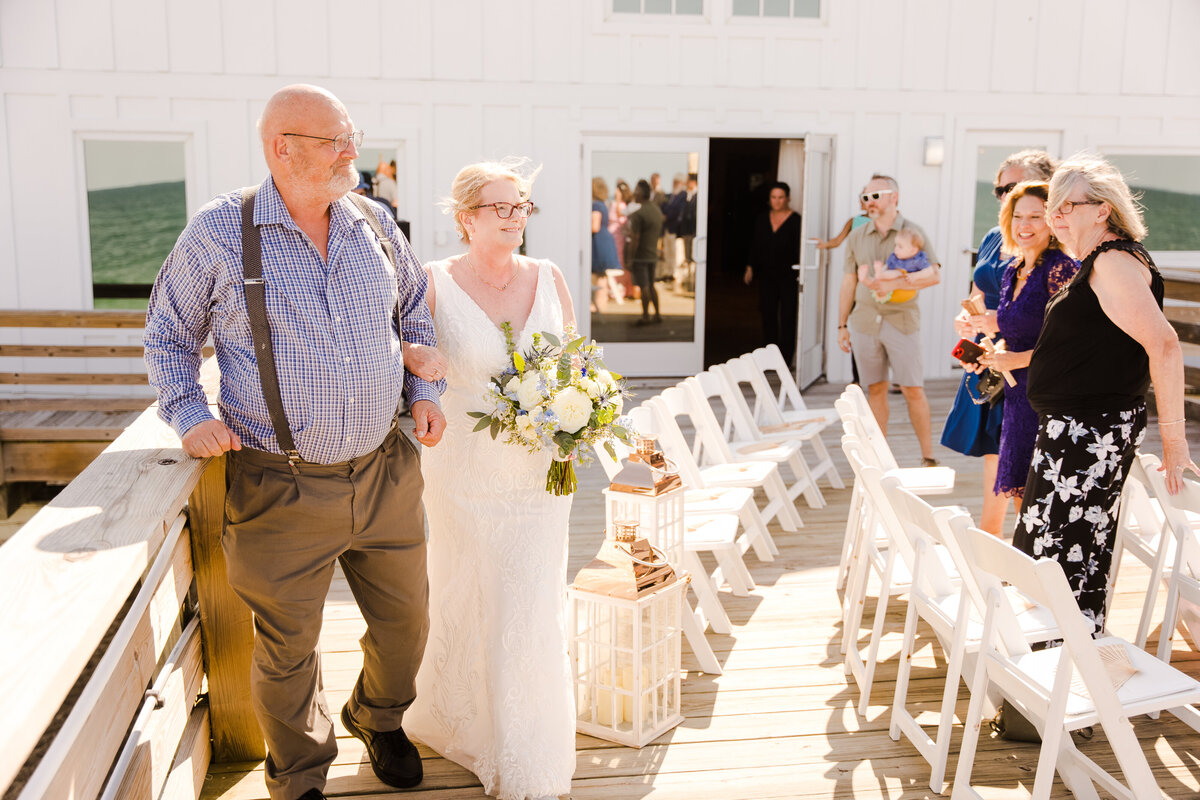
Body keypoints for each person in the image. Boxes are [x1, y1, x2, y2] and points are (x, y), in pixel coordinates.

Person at [143, 84, 446, 800]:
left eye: (352, 136)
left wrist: (425, 390)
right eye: (337, 140)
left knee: (408, 624)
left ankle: (378, 716)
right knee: (287, 651)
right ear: (282, 148)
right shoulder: (219, 232)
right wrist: (188, 414)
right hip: (277, 483)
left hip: (385, 471)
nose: (353, 153)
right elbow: (168, 334)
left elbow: (414, 309)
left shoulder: (371, 221)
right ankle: (300, 774)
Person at [405, 158, 578, 800]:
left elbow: (575, 367)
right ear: (465, 219)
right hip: (463, 472)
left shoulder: (550, 277)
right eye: (499, 208)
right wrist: (417, 385)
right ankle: (454, 714)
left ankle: (526, 742)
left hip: (538, 475)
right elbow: (410, 358)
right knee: (465, 590)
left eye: (521, 207)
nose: (514, 219)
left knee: (529, 601)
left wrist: (578, 421)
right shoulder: (431, 283)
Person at [1014, 153, 1199, 630]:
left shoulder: (1114, 260)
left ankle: (1064, 665)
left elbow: (1165, 346)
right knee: (1058, 552)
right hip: (1072, 431)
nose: (1055, 217)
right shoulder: (1099, 261)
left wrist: (1175, 441)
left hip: (1087, 435)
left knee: (1064, 554)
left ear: (1101, 209)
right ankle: (1058, 660)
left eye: (1065, 206)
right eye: (1052, 208)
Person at [942, 149, 1056, 534]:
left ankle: (1017, 553)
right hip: (988, 356)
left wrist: (996, 325)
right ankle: (990, 545)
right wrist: (966, 319)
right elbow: (979, 289)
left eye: (1016, 186)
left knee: (1018, 459)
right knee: (995, 452)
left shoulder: (1052, 249)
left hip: (1022, 360)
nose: (1007, 195)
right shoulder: (995, 236)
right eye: (1000, 189)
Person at [964, 182, 1078, 528]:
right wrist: (991, 352)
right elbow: (1014, 332)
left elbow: (1073, 342)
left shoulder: (1062, 269)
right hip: (1016, 398)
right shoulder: (1013, 270)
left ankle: (1044, 575)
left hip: (1051, 396)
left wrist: (1019, 359)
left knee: (1043, 500)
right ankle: (1028, 571)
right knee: (1020, 493)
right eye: (1017, 216)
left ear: (1055, 221)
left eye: (1035, 217)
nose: (1024, 225)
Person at [836, 174, 942, 466]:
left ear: (894, 197)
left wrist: (894, 284)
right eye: (865, 197)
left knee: (912, 389)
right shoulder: (857, 236)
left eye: (875, 196)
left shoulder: (913, 232)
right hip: (864, 323)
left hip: (902, 321)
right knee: (876, 389)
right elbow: (848, 283)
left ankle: (928, 456)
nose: (868, 202)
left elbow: (934, 275)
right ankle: (879, 458)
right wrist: (842, 325)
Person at [743, 181, 802, 365]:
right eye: (773, 197)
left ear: (788, 198)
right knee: (768, 314)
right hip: (767, 275)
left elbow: (799, 248)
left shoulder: (796, 220)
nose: (777, 201)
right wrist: (750, 267)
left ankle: (785, 358)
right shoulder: (762, 218)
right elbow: (755, 244)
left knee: (788, 316)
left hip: (789, 275)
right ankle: (769, 358)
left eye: (781, 197)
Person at [626, 178, 665, 325]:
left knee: (644, 286)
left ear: (641, 193)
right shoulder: (656, 211)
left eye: (636, 190)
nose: (634, 193)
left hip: (641, 256)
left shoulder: (639, 214)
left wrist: (630, 258)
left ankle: (645, 316)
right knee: (651, 285)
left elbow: (635, 239)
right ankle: (657, 314)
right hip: (652, 254)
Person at [858, 228, 930, 304]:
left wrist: (916, 276)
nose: (896, 249)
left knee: (899, 273)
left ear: (913, 250)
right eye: (895, 245)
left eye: (900, 247)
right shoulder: (895, 257)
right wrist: (882, 270)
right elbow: (888, 266)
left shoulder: (918, 260)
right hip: (890, 291)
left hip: (906, 291)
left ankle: (880, 275)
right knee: (879, 284)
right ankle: (866, 279)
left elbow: (928, 271)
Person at [590, 177, 623, 313]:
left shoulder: (596, 205)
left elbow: (594, 226)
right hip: (604, 240)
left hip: (599, 242)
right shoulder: (603, 204)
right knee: (601, 277)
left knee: (598, 276)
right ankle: (600, 306)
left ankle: (598, 306)